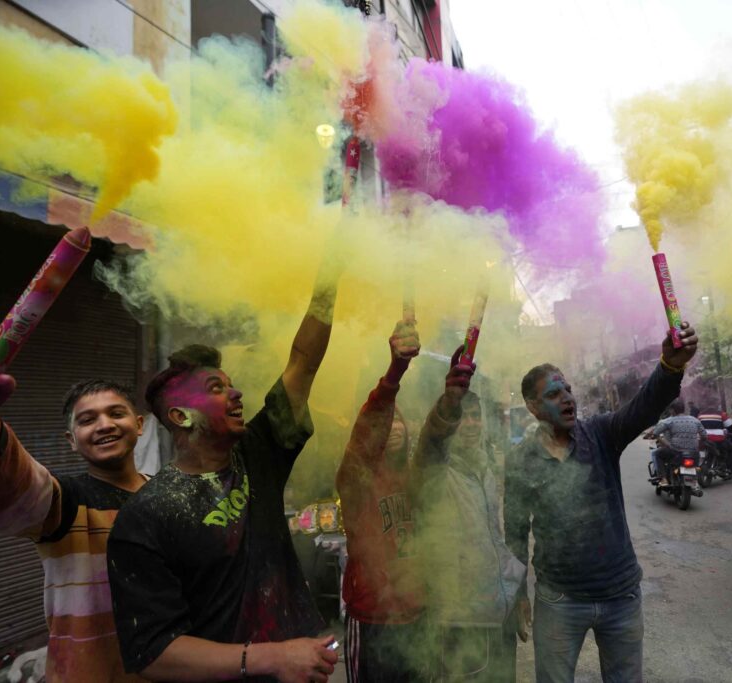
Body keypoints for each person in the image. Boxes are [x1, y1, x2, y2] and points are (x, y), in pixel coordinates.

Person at [106, 267, 341, 683]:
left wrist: (331, 273)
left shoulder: (257, 454)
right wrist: (274, 657)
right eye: (216, 388)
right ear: (180, 416)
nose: (236, 394)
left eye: (230, 385)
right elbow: (154, 653)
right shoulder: (146, 516)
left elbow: (303, 363)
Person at [0, 354, 149, 682]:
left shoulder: (166, 492)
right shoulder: (65, 501)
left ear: (139, 425)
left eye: (116, 413)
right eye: (87, 420)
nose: (105, 425)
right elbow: (13, 488)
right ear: (71, 442)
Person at [505, 322, 698, 683]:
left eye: (568, 389)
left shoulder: (601, 433)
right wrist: (518, 595)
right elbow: (514, 530)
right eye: (553, 394)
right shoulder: (520, 461)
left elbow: (644, 407)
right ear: (532, 406)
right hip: (559, 600)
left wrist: (671, 366)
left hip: (621, 595)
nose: (567, 398)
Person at [412, 347, 525, 681]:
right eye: (463, 416)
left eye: (476, 415)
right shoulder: (438, 474)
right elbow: (430, 448)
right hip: (463, 624)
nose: (471, 423)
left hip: (498, 616)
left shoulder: (485, 470)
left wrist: (517, 595)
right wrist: (448, 404)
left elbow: (496, 541)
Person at [336, 319, 424, 683]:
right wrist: (395, 370)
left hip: (416, 612)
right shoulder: (356, 478)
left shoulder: (413, 479)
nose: (395, 428)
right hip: (372, 615)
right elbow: (369, 426)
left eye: (399, 422)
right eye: (389, 424)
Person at [650, 401, 706, 484]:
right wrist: (698, 445)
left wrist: (665, 443)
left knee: (656, 454)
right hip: (693, 453)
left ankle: (663, 478)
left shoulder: (669, 421)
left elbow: (655, 433)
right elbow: (704, 436)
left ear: (672, 410)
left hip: (676, 452)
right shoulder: (695, 420)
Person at [698, 409, 732, 474]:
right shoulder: (721, 414)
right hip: (718, 440)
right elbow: (729, 427)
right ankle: (731, 469)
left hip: (704, 439)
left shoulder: (700, 415)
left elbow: (698, 425)